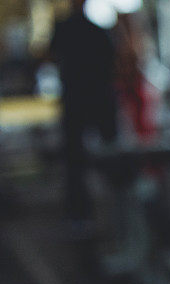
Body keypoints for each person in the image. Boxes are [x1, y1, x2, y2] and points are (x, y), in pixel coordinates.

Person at [49, 0, 117, 235]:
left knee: (80, 161)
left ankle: (87, 214)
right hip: (95, 100)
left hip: (79, 100)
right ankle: (110, 211)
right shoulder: (96, 31)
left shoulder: (67, 28)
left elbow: (51, 56)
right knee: (103, 157)